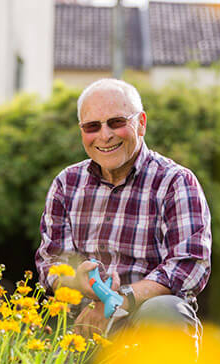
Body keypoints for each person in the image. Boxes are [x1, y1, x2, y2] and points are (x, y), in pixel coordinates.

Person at [35, 78, 211, 339]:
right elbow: (51, 259)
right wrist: (74, 282)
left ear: (141, 124)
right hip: (82, 323)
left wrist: (120, 300)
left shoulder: (176, 182)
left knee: (165, 311)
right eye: (92, 126)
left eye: (116, 122)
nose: (105, 135)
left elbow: (188, 264)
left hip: (142, 321)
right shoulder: (67, 183)